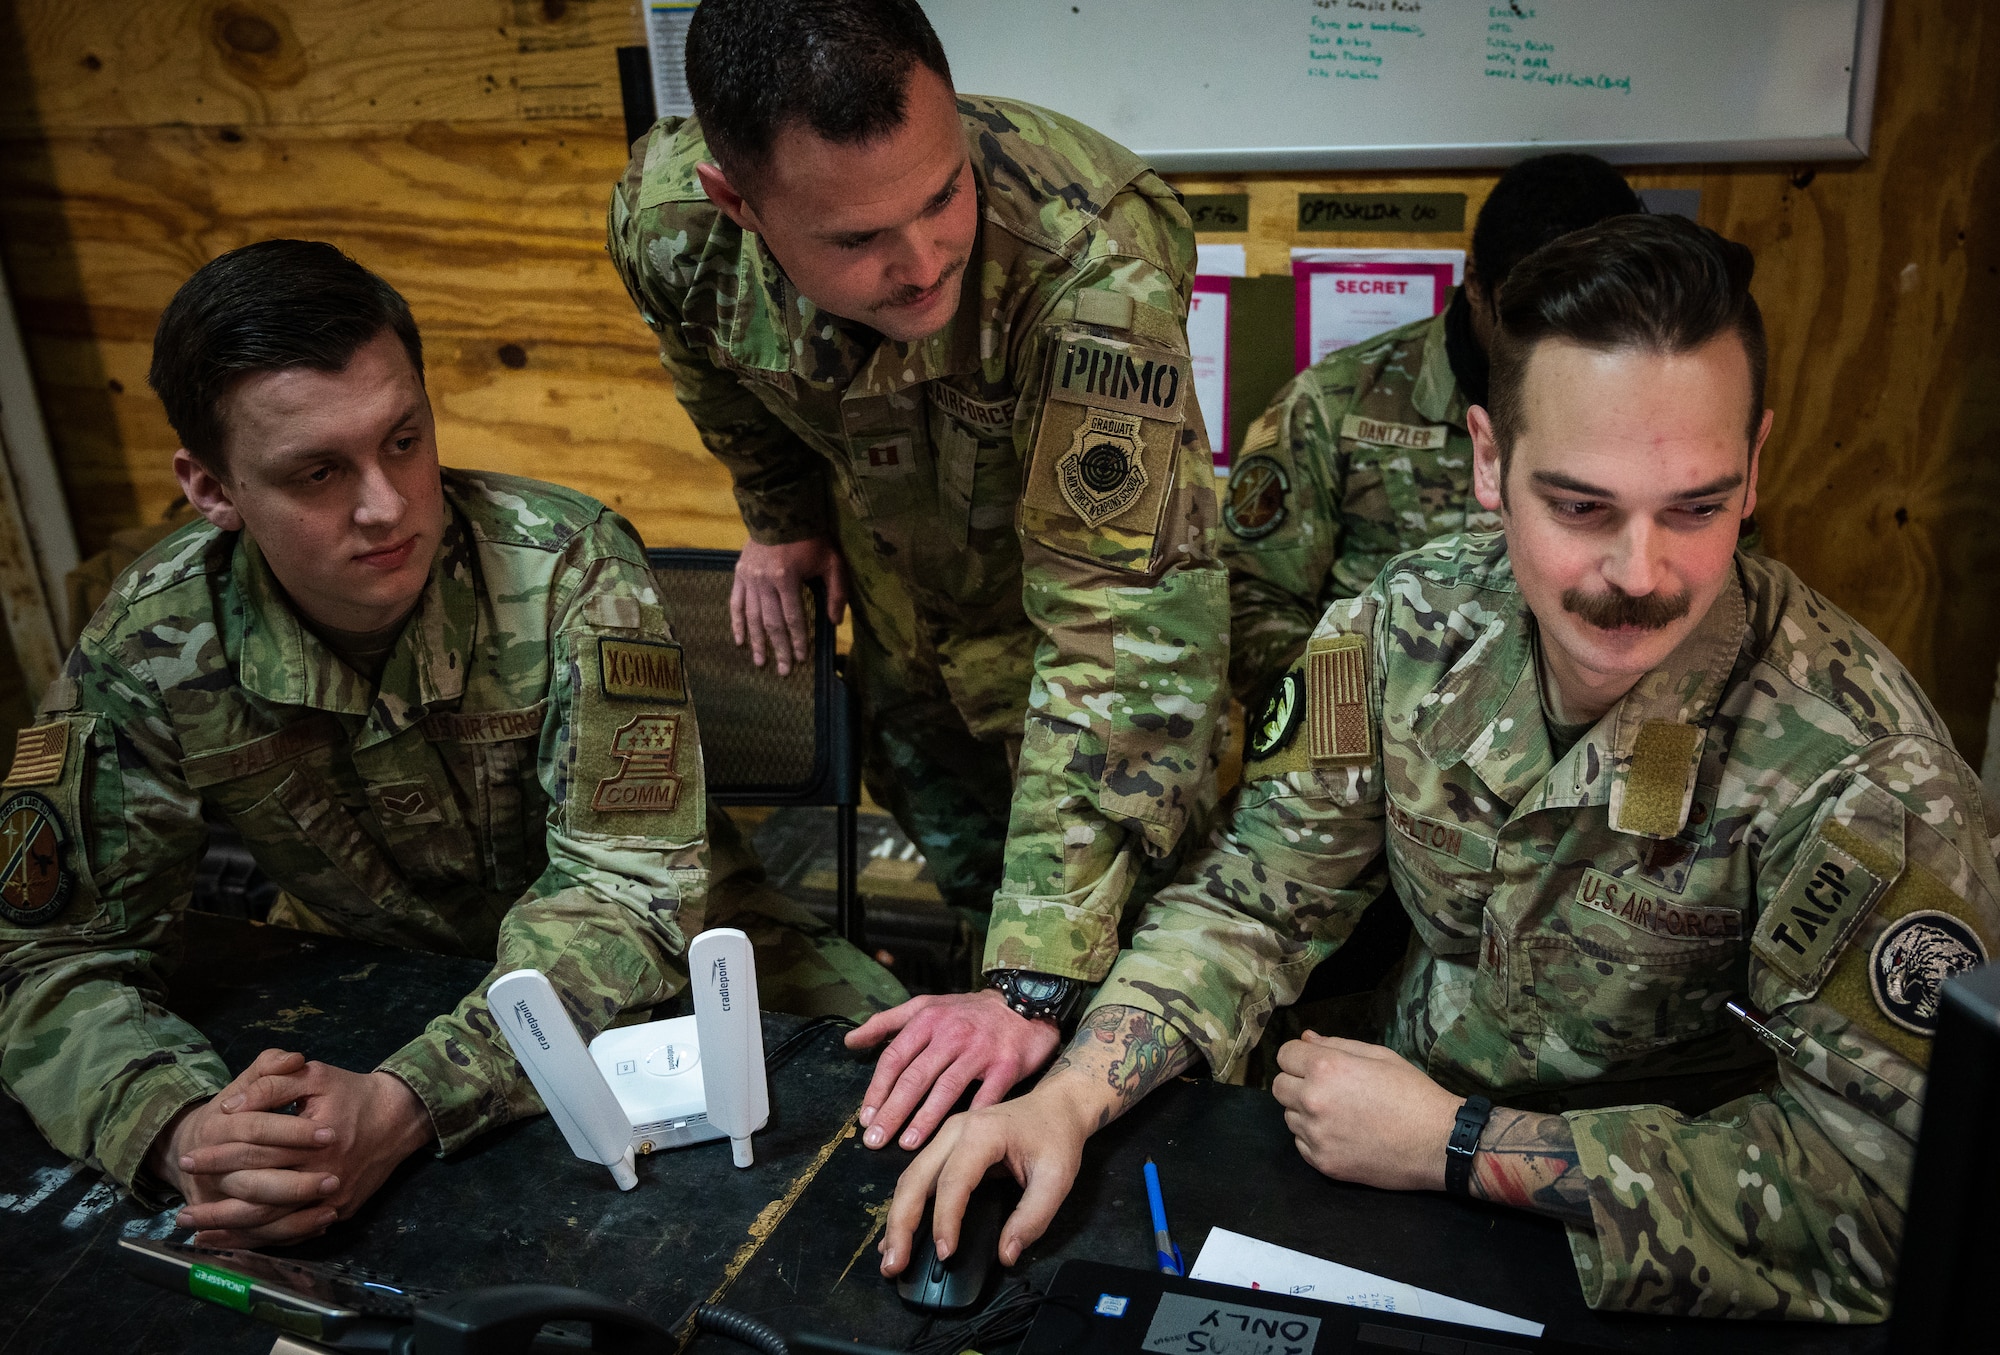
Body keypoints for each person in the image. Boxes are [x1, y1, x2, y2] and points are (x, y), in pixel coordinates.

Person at [880, 215, 2000, 1321]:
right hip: (1390, 1185)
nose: (1638, 571)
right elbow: (1254, 897)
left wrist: (1458, 1146)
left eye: (1696, 508)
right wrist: (1069, 1099)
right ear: (1485, 460)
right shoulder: (1401, 630)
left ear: (1753, 468)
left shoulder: (1867, 777)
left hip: (1663, 1262)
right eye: (1578, 506)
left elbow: (1877, 1195)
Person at [0, 240, 898, 1249]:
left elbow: (629, 893)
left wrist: (405, 1102)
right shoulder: (150, 645)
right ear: (212, 488)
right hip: (374, 976)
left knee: (907, 1133)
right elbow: (51, 952)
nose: (384, 504)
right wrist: (184, 1131)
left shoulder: (565, 567)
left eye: (403, 439)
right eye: (318, 471)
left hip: (676, 968)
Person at [606, 0, 1227, 1156]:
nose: (922, 258)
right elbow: (721, 381)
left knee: (1119, 994)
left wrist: (1035, 980)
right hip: (908, 644)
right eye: (854, 241)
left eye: (942, 195)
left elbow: (1124, 628)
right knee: (968, 901)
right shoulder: (669, 228)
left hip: (1078, 672)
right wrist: (781, 518)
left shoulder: (1090, 254)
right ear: (738, 204)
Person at [1223, 154, 1641, 705]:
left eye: (1592, 326)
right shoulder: (1337, 405)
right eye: (1531, 320)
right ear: (1476, 284)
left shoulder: (1660, 419)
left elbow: (1720, 592)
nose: (1561, 354)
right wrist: (1367, 722)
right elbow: (1250, 601)